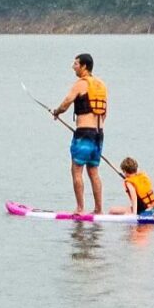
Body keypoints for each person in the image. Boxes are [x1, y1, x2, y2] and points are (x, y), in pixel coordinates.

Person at [51, 53, 107, 214]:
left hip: (84, 133)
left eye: (76, 64)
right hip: (99, 133)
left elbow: (67, 102)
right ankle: (98, 209)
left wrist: (57, 112)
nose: (73, 66)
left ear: (84, 67)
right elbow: (105, 113)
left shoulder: (80, 84)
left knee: (76, 170)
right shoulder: (101, 85)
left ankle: (80, 208)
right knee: (94, 171)